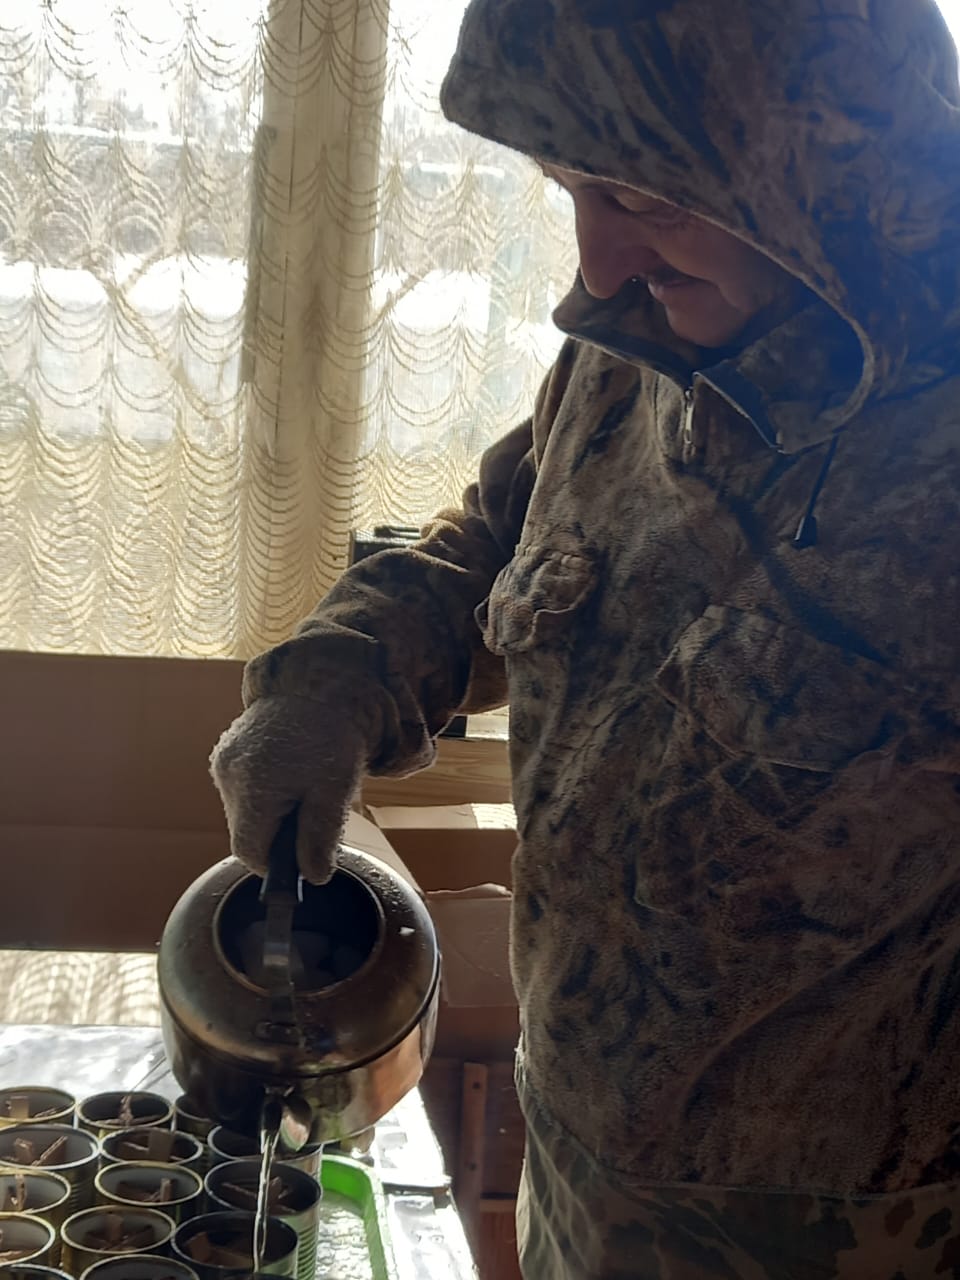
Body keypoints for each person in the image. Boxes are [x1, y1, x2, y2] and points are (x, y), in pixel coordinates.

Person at [211, 0, 960, 1273]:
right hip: (576, 1164)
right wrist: (336, 678)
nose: (600, 262)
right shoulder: (628, 358)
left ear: (821, 162)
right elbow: (491, 545)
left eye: (645, 198)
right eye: (569, 189)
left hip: (852, 1233)